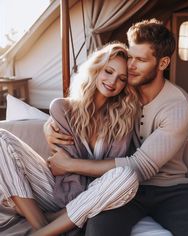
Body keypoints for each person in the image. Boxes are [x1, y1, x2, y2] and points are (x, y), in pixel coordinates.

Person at [45, 19, 188, 236]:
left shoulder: (178, 106)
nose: (130, 66)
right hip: (117, 187)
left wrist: (69, 165)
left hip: (169, 187)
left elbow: (140, 167)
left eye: (140, 60)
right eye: (130, 56)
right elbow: (80, 108)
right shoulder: (120, 87)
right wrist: (49, 126)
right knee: (97, 231)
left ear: (162, 63)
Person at [0, 42, 139, 236]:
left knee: (127, 175)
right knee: (1, 138)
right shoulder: (62, 109)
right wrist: (81, 171)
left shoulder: (122, 120)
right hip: (59, 190)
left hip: (97, 193)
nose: (113, 81)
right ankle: (44, 229)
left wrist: (71, 166)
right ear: (96, 69)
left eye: (122, 78)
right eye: (108, 71)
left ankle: (47, 226)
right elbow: (61, 169)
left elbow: (108, 169)